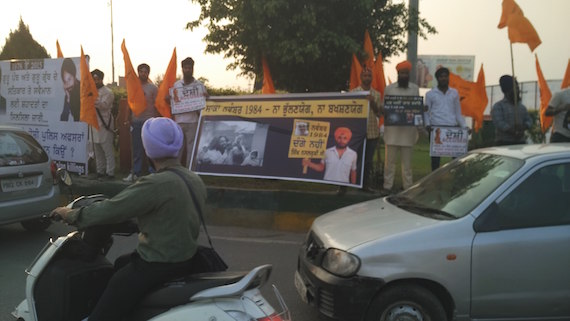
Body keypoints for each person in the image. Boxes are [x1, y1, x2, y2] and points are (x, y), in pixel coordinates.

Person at [50, 117, 207, 321]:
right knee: (122, 263)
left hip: (158, 263)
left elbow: (111, 209)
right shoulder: (193, 179)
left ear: (148, 148)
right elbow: (172, 215)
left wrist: (69, 214)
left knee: (113, 295)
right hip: (186, 259)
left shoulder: (155, 184)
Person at [382, 60, 420, 193]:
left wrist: (420, 109)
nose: (403, 75)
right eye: (401, 73)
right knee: (389, 164)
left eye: (406, 73)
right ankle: (387, 187)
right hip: (392, 132)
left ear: (408, 74)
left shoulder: (415, 88)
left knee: (407, 166)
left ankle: (408, 188)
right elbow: (385, 108)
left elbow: (416, 107)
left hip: (408, 133)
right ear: (398, 74)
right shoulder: (389, 88)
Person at [424, 67, 469, 171]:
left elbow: (458, 113)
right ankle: (434, 181)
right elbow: (426, 112)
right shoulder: (430, 94)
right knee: (435, 160)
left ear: (448, 78)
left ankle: (455, 182)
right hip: (436, 129)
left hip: (452, 130)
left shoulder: (454, 93)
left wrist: (465, 127)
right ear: (437, 79)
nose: (444, 79)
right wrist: (427, 125)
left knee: (455, 160)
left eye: (445, 76)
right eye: (441, 77)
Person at [123, 63, 159, 182]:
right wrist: (127, 119)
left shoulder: (153, 88)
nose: (143, 74)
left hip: (149, 122)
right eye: (141, 71)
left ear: (148, 73)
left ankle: (152, 172)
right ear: (138, 73)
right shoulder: (133, 87)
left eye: (145, 72)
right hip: (136, 121)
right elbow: (129, 104)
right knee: (137, 148)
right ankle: (135, 173)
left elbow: (158, 105)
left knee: (151, 148)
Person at [172, 57, 209, 168]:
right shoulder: (177, 85)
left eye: (190, 68)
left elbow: (205, 101)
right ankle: (176, 170)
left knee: (191, 148)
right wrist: (169, 98)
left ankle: (190, 171)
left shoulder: (199, 85)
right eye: (185, 68)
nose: (187, 70)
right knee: (178, 148)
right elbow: (174, 100)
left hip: (193, 121)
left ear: (193, 69)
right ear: (182, 69)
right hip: (179, 121)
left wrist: (206, 97)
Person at [352, 67, 381, 192]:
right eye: (365, 75)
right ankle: (350, 185)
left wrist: (373, 102)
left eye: (369, 76)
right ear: (360, 77)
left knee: (368, 162)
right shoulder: (353, 92)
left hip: (372, 132)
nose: (367, 78)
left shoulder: (377, 94)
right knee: (354, 160)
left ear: (372, 78)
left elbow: (379, 113)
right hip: (357, 133)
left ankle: (365, 186)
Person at [491, 75, 532, 146]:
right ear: (507, 91)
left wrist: (523, 127)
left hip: (520, 143)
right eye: (515, 89)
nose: (518, 91)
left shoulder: (522, 107)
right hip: (504, 143)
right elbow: (499, 123)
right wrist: (513, 131)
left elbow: (529, 120)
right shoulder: (499, 106)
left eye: (518, 88)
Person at [90, 69, 116, 180]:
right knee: (98, 151)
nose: (95, 81)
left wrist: (91, 99)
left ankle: (110, 173)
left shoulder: (108, 92)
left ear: (101, 79)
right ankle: (100, 171)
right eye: (93, 79)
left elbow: (104, 105)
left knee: (107, 150)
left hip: (105, 124)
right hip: (94, 124)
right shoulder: (90, 92)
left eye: (97, 79)